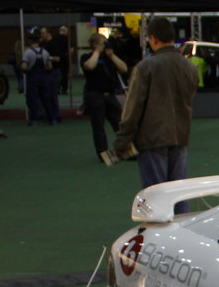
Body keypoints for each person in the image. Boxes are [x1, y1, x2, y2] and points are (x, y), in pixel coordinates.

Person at [113, 16, 199, 207]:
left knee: (156, 196)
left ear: (152, 38)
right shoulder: (190, 67)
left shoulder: (146, 67)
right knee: (179, 194)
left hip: (153, 138)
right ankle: (183, 233)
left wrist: (122, 139)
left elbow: (133, 107)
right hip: (180, 135)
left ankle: (160, 235)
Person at [81, 32, 129, 166]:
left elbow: (124, 68)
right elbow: (89, 66)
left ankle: (125, 150)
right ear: (95, 44)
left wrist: (111, 55)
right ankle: (103, 153)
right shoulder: (87, 57)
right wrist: (97, 51)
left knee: (120, 123)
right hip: (95, 94)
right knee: (98, 126)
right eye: (102, 42)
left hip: (110, 95)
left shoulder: (109, 58)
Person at [21, 31, 56, 126]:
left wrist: (24, 69)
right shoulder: (45, 52)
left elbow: (24, 66)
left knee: (33, 99)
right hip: (44, 77)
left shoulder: (28, 53)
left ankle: (34, 120)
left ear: (29, 41)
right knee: (46, 99)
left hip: (33, 77)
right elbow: (49, 66)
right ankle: (52, 119)